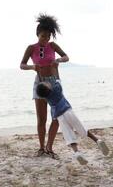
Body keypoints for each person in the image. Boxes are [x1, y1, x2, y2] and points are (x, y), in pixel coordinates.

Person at [20, 13, 69, 159]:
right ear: (37, 34)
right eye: (43, 36)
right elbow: (22, 65)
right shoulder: (31, 48)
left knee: (57, 117)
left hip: (54, 83)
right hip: (40, 83)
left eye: (48, 36)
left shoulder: (53, 46)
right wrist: (32, 67)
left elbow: (66, 57)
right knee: (41, 119)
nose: (45, 39)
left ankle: (49, 147)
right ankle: (41, 148)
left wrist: (58, 60)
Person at [36, 80, 109, 165]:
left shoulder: (48, 99)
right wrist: (55, 78)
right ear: (48, 88)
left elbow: (53, 112)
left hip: (60, 118)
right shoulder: (56, 89)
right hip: (68, 112)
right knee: (81, 128)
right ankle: (97, 140)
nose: (48, 82)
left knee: (69, 135)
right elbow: (58, 81)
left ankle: (77, 152)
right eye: (47, 84)